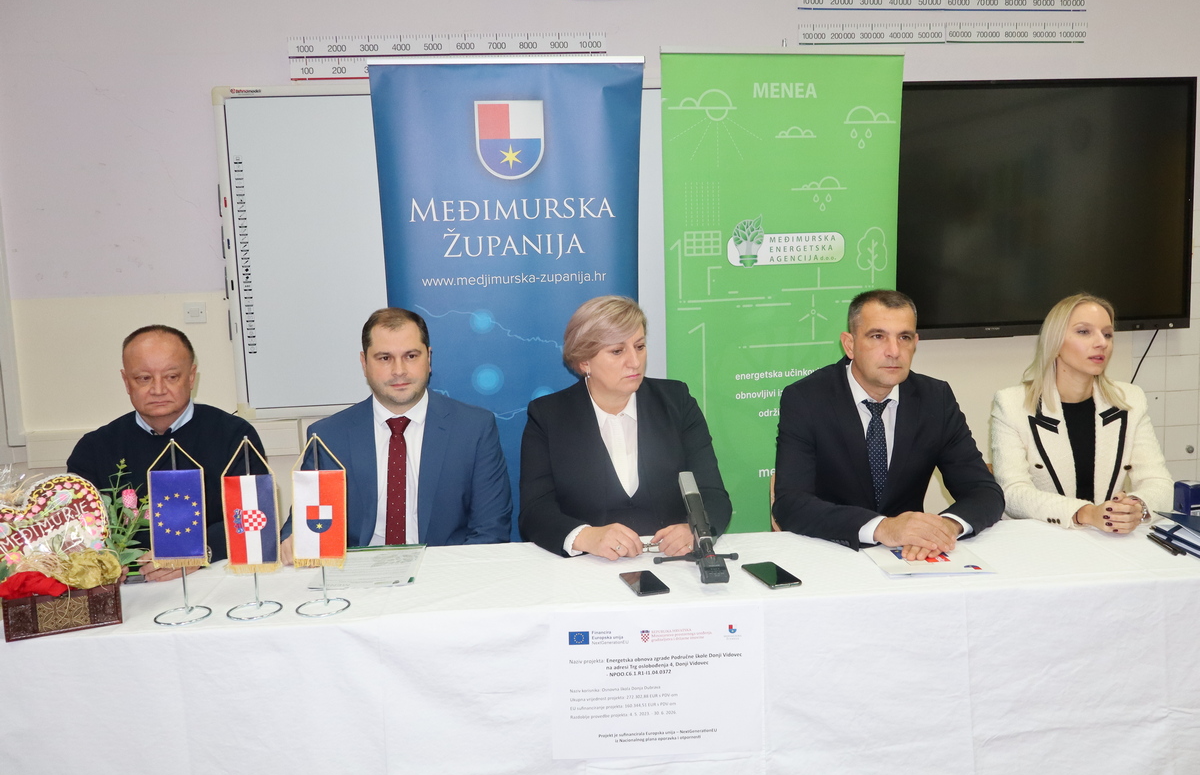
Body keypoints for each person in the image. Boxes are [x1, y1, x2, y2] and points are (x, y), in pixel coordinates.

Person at [773, 289, 1003, 560]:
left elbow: (984, 491)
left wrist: (943, 528)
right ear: (849, 344)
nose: (894, 352)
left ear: (915, 343)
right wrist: (882, 527)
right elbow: (791, 504)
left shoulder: (935, 399)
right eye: (877, 336)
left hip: (910, 557)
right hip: (834, 552)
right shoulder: (806, 399)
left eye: (904, 338)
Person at [280, 307, 511, 560]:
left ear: (428, 358)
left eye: (411, 356)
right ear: (364, 363)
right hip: (357, 572)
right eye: (384, 358)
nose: (399, 370)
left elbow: (491, 530)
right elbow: (303, 524)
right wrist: (294, 540)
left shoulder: (474, 429)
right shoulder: (328, 437)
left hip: (444, 570)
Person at [519, 296, 731, 559]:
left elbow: (713, 494)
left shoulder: (677, 401)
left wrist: (695, 529)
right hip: (588, 566)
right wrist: (585, 536)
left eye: (639, 346)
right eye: (617, 351)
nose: (635, 361)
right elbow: (535, 511)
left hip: (672, 561)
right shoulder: (548, 416)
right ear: (584, 361)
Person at [67, 325, 266, 580]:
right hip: (131, 586)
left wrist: (202, 552)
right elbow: (76, 531)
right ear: (126, 381)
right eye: (144, 378)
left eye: (172, 377)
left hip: (215, 574)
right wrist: (103, 564)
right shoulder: (94, 448)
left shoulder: (235, 436)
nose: (158, 389)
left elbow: (254, 517)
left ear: (191, 377)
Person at [990, 294, 1171, 532]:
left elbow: (1159, 482)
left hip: (1109, 538)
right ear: (1055, 343)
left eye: (1107, 334)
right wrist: (1085, 513)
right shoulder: (1011, 404)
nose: (1102, 343)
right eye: (1084, 332)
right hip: (1043, 538)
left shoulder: (1130, 399)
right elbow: (1013, 493)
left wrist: (1137, 506)